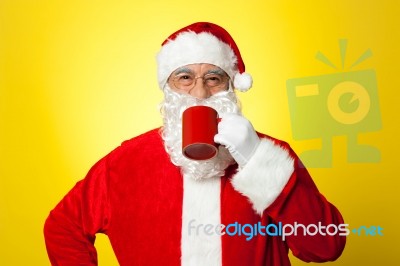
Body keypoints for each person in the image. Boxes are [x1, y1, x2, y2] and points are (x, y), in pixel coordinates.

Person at [44, 22, 346, 266]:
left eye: (214, 78)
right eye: (185, 77)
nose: (200, 93)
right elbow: (63, 227)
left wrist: (257, 161)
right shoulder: (125, 163)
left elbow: (325, 246)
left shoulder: (270, 154)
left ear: (231, 86)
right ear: (168, 87)